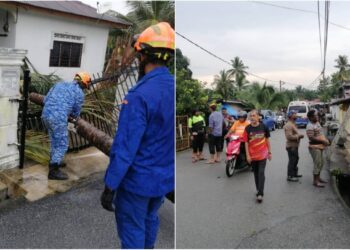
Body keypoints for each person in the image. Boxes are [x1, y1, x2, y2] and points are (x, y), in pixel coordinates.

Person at [100, 22, 174, 249]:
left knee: (132, 230)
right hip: (162, 181)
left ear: (143, 57)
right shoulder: (173, 87)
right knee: (150, 219)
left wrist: (110, 186)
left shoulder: (139, 96)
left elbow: (124, 148)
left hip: (137, 183)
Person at [42, 72, 91, 180]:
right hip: (58, 119)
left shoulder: (59, 84)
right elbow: (75, 113)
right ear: (83, 84)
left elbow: (46, 99)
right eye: (86, 86)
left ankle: (55, 160)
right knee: (62, 144)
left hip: (45, 115)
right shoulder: (79, 93)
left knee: (54, 140)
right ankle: (53, 171)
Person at [243, 110, 272, 203]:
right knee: (255, 174)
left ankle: (260, 193)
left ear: (258, 117)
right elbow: (246, 143)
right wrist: (247, 155)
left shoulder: (264, 127)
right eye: (250, 116)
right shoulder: (247, 128)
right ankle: (258, 189)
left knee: (261, 172)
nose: (252, 117)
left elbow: (267, 140)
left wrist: (270, 152)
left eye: (254, 115)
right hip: (252, 155)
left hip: (263, 154)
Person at [306, 109, 330, 188]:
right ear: (310, 117)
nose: (317, 116)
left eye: (317, 115)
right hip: (314, 147)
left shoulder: (317, 123)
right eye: (315, 116)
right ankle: (315, 181)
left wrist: (324, 140)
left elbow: (320, 133)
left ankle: (318, 178)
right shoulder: (310, 126)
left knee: (321, 163)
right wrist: (323, 140)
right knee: (317, 163)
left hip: (320, 146)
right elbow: (311, 138)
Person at [284, 110, 304, 182]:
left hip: (295, 146)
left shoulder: (293, 124)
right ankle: (290, 176)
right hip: (291, 146)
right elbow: (289, 137)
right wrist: (299, 136)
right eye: (294, 114)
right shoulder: (288, 125)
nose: (296, 115)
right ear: (290, 116)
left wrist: (298, 136)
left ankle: (294, 173)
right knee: (292, 160)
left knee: (296, 159)